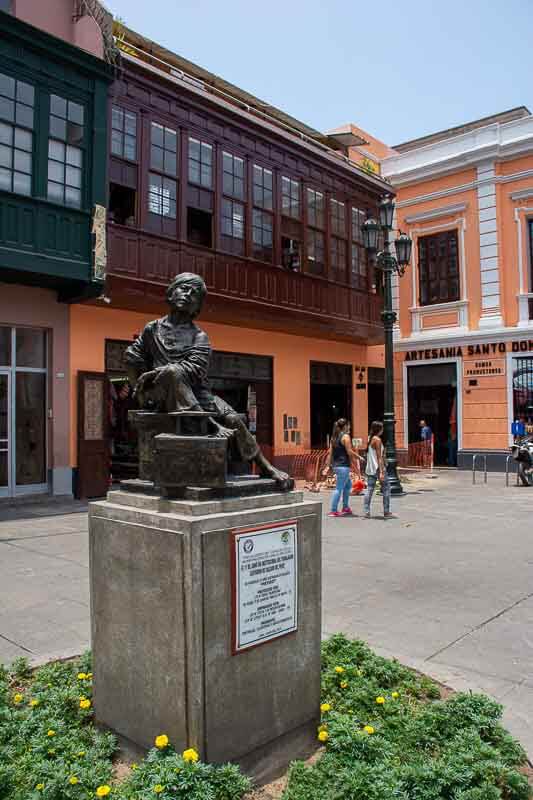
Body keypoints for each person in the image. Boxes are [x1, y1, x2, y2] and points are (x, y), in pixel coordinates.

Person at [125, 272, 292, 489]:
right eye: (183, 288)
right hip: (161, 396)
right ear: (170, 292)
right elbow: (133, 356)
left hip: (198, 395)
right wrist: (139, 388)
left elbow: (194, 369)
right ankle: (210, 425)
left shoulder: (199, 336)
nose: (187, 294)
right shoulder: (152, 329)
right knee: (170, 372)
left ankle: (265, 465)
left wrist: (160, 371)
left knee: (233, 418)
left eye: (194, 294)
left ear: (197, 307)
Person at [322, 418, 361, 517]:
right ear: (345, 426)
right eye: (349, 425)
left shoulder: (334, 437)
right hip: (343, 466)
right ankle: (334, 510)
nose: (350, 427)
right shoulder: (345, 437)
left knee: (348, 486)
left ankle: (345, 507)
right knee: (339, 488)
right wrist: (359, 457)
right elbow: (349, 451)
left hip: (337, 466)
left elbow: (330, 453)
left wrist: (327, 465)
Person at [363, 421, 393, 519]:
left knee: (370, 489)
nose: (383, 430)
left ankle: (366, 511)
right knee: (386, 488)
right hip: (378, 468)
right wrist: (381, 471)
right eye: (382, 428)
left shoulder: (370, 438)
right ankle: (386, 511)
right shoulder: (378, 440)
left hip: (371, 468)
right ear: (379, 429)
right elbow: (379, 457)